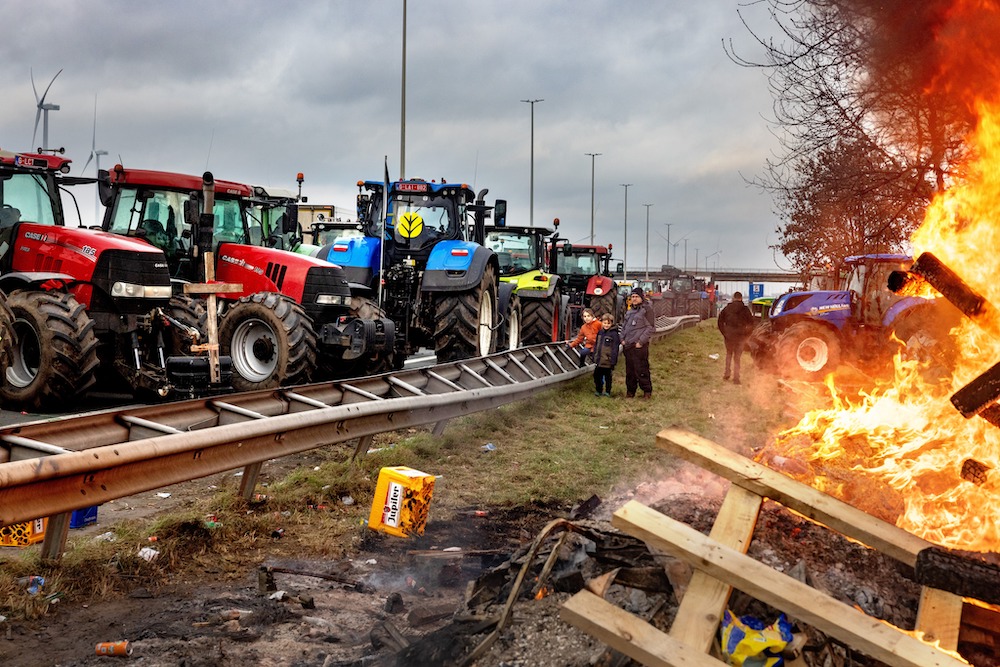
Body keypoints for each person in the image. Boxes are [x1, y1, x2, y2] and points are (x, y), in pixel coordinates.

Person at [620, 287, 655, 398]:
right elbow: (624, 326)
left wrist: (641, 342)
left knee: (641, 369)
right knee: (630, 371)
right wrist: (622, 339)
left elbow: (651, 328)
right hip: (628, 346)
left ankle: (647, 391)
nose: (634, 299)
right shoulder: (630, 311)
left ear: (641, 298)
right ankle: (630, 392)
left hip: (639, 346)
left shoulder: (647, 310)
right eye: (633, 297)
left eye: (636, 297)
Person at [717, 291, 756, 385]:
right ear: (741, 298)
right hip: (741, 336)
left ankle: (727, 373)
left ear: (734, 298)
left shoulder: (727, 308)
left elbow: (720, 321)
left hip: (729, 336)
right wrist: (747, 335)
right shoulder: (745, 309)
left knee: (729, 354)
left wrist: (724, 333)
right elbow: (751, 323)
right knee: (737, 357)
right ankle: (736, 378)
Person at [592, 313, 621, 396]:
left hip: (608, 360)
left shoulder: (614, 335)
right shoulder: (600, 333)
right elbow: (597, 345)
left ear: (611, 324)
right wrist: (594, 355)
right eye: (604, 323)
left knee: (608, 377)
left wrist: (613, 361)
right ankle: (599, 390)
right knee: (596, 375)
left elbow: (615, 348)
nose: (606, 325)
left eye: (608, 323)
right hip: (599, 359)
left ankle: (608, 391)